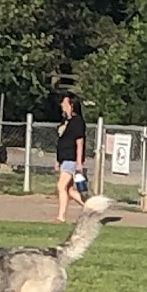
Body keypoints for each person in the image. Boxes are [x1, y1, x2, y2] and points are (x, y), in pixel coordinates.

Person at [55, 93, 86, 223]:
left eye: (64, 103)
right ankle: (92, 208)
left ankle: (61, 217)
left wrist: (79, 162)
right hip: (64, 158)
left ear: (71, 105)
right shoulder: (66, 121)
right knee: (69, 190)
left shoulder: (77, 121)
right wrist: (58, 160)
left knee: (61, 186)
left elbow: (80, 142)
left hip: (71, 158)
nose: (62, 105)